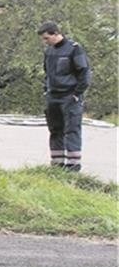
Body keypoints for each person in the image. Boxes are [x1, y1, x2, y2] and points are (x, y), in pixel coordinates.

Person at [39, 21, 91, 172]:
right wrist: (46, 90)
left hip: (70, 96)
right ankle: (57, 165)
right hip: (52, 97)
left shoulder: (74, 49)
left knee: (72, 130)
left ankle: (73, 166)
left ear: (56, 34)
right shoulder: (49, 51)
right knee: (55, 130)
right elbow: (47, 73)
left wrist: (77, 94)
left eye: (47, 38)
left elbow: (84, 73)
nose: (45, 41)